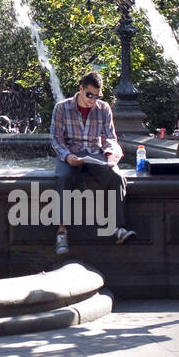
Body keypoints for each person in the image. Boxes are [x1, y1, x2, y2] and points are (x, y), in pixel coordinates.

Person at [49, 71, 134, 255]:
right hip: (71, 154)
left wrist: (112, 154)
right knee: (63, 178)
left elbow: (110, 138)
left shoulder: (103, 109)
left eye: (97, 96)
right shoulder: (62, 108)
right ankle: (62, 230)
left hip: (95, 154)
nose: (92, 100)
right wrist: (67, 156)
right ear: (81, 89)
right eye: (89, 95)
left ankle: (119, 228)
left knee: (117, 177)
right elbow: (56, 140)